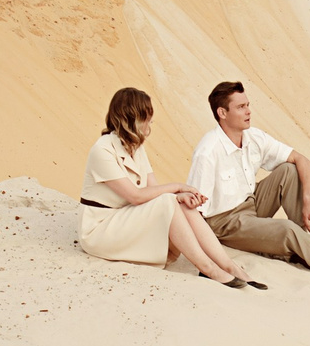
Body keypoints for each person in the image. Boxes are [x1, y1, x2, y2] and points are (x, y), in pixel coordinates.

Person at [186, 81, 310, 290]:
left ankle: (302, 245)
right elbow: (194, 211)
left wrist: (309, 198)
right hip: (225, 223)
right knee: (286, 229)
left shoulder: (253, 137)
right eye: (241, 107)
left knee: (289, 170)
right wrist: (209, 261)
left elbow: (301, 159)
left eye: (248, 105)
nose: (248, 111)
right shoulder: (208, 151)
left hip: (252, 203)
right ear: (222, 112)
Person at [79, 87, 264, 289]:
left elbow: (153, 191)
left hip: (126, 219)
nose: (149, 125)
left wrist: (181, 195)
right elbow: (136, 196)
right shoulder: (103, 149)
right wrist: (177, 187)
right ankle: (208, 268)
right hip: (101, 229)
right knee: (169, 199)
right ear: (131, 118)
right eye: (146, 119)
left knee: (181, 204)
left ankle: (228, 265)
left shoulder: (135, 147)